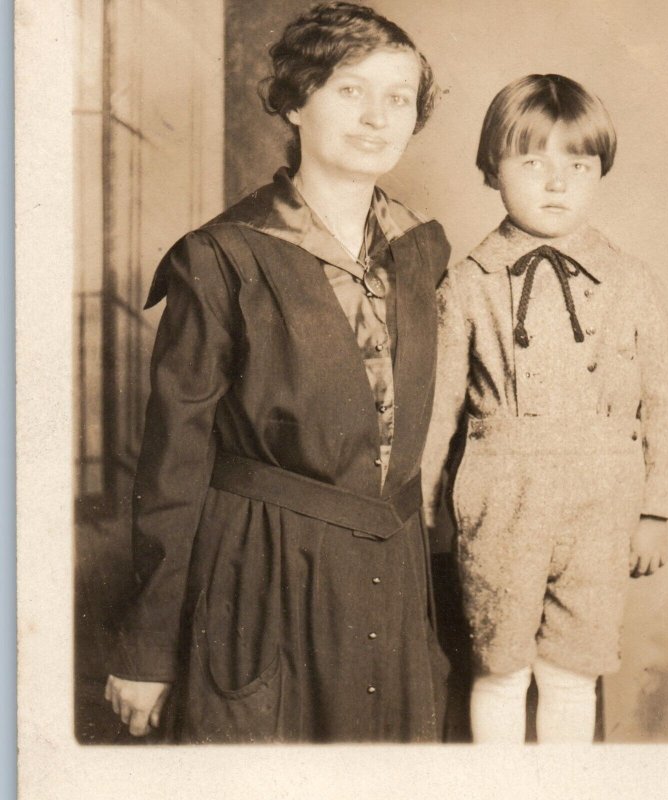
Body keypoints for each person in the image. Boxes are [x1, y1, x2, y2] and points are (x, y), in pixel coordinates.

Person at [104, 1, 450, 743]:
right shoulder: (222, 257)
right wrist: (147, 646)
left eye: (399, 98)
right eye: (350, 91)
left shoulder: (423, 249)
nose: (377, 117)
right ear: (296, 100)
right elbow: (173, 462)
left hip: (390, 582)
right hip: (261, 575)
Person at [421, 74, 668, 744]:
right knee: (500, 668)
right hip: (502, 499)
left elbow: (664, 404)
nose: (556, 183)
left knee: (573, 670)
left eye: (578, 165)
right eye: (532, 163)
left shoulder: (633, 281)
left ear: (599, 173)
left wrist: (656, 510)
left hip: (604, 500)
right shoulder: (468, 285)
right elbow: (440, 409)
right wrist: (422, 513)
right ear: (492, 170)